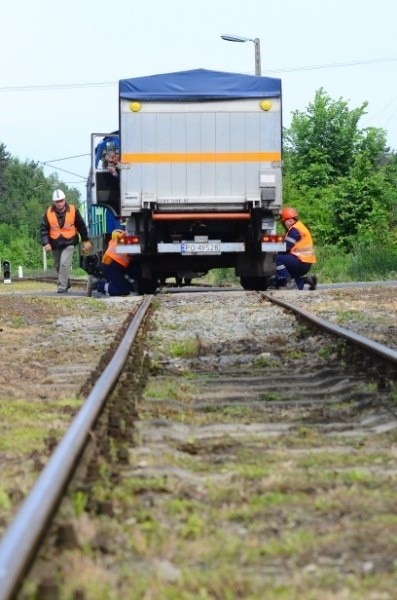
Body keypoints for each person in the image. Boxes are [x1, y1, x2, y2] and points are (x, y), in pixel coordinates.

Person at [40, 189, 92, 293]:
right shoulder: (48, 212)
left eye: (61, 201)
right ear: (54, 202)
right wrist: (46, 243)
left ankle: (62, 286)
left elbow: (81, 226)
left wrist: (85, 240)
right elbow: (43, 229)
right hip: (55, 243)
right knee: (58, 265)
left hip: (69, 242)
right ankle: (66, 282)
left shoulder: (73, 210)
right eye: (57, 201)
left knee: (64, 263)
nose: (59, 203)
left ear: (64, 200)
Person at [273, 207, 317, 290]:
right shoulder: (299, 227)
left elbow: (286, 247)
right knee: (297, 289)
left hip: (300, 261)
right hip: (305, 263)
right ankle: (307, 280)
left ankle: (288, 282)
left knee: (275, 259)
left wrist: (273, 250)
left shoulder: (295, 230)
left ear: (289, 220)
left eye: (283, 221)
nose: (283, 224)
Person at [87, 229, 138, 297]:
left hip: (115, 264)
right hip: (111, 264)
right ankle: (97, 285)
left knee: (128, 287)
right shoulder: (129, 239)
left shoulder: (125, 236)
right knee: (122, 290)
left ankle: (105, 281)